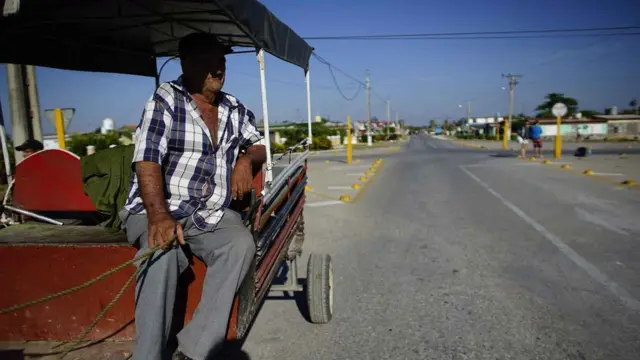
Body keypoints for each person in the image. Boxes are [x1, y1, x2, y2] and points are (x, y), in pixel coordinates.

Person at [119, 32, 266, 360]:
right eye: (208, 61)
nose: (217, 69)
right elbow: (147, 158)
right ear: (186, 64)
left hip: (208, 210)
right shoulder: (166, 98)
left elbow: (259, 145)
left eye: (221, 62)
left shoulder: (232, 107)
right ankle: (148, 355)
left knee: (240, 244)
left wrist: (246, 159)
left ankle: (195, 350)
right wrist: (159, 216)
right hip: (155, 208)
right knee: (160, 256)